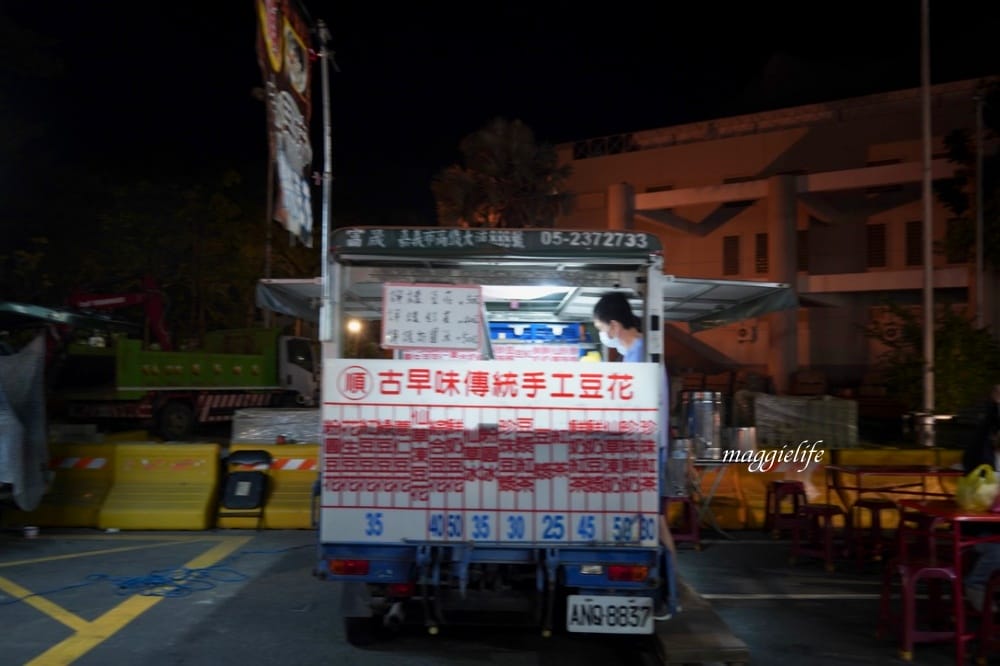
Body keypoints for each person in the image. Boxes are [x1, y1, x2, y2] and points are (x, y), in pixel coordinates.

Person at [592, 291, 675, 619]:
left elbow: (635, 411)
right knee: (654, 521)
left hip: (646, 453)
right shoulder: (639, 354)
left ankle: (667, 595)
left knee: (654, 521)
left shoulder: (641, 355)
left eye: (601, 328)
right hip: (646, 451)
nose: (604, 335)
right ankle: (665, 592)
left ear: (614, 325)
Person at [961, 384, 1000, 612]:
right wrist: (994, 407)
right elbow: (981, 436)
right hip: (983, 532)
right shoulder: (981, 460)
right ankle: (976, 584)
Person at [592, 291, 644, 362]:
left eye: (601, 328)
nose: (602, 333)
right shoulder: (633, 350)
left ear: (614, 326)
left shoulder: (640, 352)